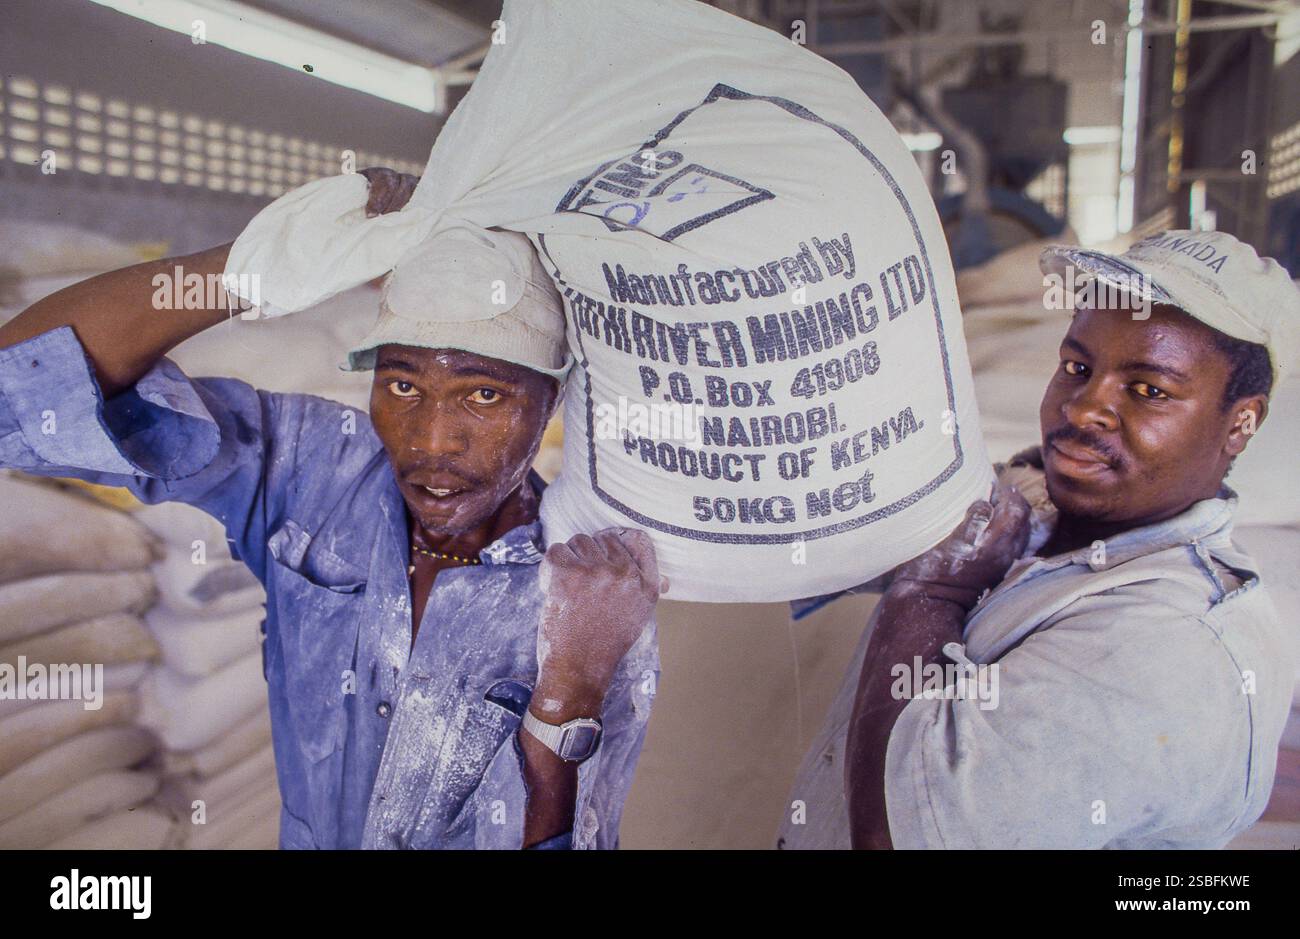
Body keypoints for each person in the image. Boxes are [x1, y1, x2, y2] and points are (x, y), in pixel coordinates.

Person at [0, 169, 662, 850]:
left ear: (551, 401)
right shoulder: (312, 470)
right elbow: (15, 402)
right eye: (402, 382)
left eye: (484, 396)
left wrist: (568, 694)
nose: (431, 441)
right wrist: (248, 268)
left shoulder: (594, 597)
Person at [778, 229, 1299, 849]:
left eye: (1149, 390)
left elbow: (898, 838)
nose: (1082, 409)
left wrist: (932, 590)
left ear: (1243, 421)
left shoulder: (1164, 646)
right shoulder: (1047, 519)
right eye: (1077, 368)